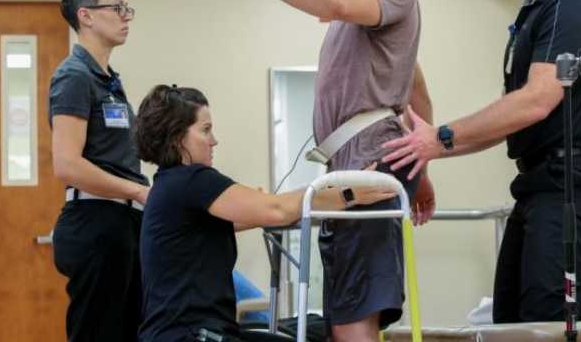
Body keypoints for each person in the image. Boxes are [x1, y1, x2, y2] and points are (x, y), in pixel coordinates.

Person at [179, 0, 433, 339]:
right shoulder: (362, 10)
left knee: (354, 322)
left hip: (371, 162)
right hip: (356, 164)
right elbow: (414, 81)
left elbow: (335, 0)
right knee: (343, 321)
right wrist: (420, 167)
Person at [381, 0, 581, 323]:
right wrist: (434, 147)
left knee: (547, 310)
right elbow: (520, 115)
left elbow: (537, 100)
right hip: (538, 180)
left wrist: (442, 137)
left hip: (571, 181)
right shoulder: (539, 10)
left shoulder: (572, 5)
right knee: (509, 319)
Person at [134, 85, 398, 342]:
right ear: (178, 137)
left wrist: (326, 191)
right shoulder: (192, 181)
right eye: (205, 130)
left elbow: (274, 207)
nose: (214, 140)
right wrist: (348, 194)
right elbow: (277, 209)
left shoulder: (169, 186)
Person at [48, 0, 150, 342]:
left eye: (128, 9)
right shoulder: (74, 76)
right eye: (117, 8)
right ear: (86, 16)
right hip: (96, 222)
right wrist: (138, 190)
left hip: (123, 222)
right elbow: (68, 164)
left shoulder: (108, 78)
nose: (126, 17)